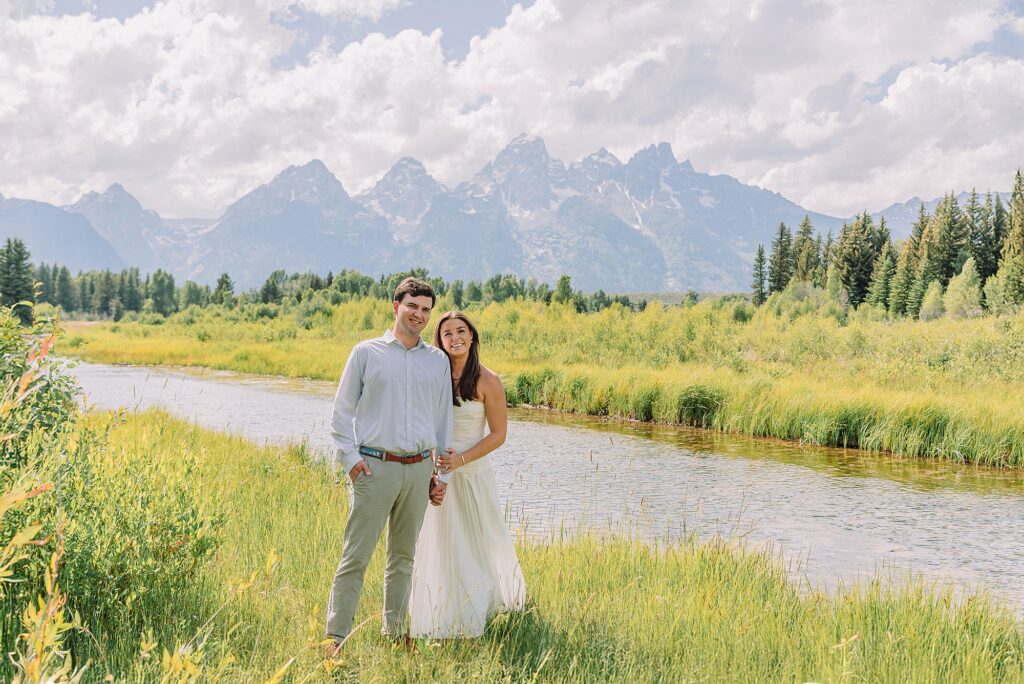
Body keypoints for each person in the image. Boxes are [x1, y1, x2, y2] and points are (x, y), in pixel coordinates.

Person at [324, 277, 453, 652]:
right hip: (374, 468)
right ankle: (336, 637)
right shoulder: (366, 353)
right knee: (356, 556)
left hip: (418, 471)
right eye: (413, 305)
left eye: (426, 309)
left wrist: (440, 473)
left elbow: (443, 420)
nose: (419, 314)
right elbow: (340, 413)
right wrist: (350, 460)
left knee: (403, 558)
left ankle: (395, 634)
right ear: (396, 305)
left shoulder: (437, 361)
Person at [409, 310, 526, 638]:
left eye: (461, 331)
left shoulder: (489, 380)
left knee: (475, 542)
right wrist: (435, 472)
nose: (455, 338)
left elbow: (498, 434)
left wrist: (461, 460)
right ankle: (440, 606)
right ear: (440, 341)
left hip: (472, 473)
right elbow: (428, 427)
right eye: (447, 334)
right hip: (440, 473)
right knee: (441, 543)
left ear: (472, 336)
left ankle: (478, 606)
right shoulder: (436, 378)